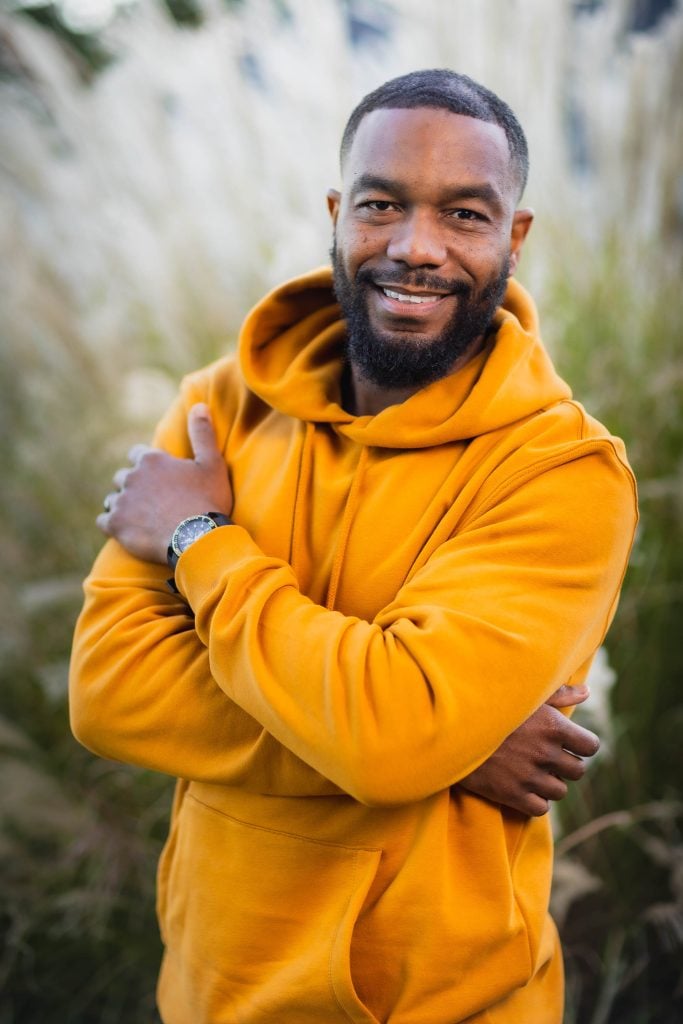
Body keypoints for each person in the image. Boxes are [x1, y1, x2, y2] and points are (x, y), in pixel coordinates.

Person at [69, 69, 637, 1023]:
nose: (416, 248)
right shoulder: (219, 406)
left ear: (515, 235)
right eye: (382, 205)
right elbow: (108, 690)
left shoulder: (559, 469)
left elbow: (390, 740)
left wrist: (196, 539)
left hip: (437, 1006)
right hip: (209, 987)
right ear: (338, 213)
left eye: (463, 213)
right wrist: (444, 748)